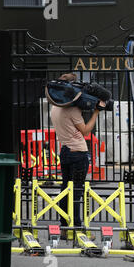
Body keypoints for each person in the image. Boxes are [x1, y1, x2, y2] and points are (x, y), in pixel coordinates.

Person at [50, 73, 105, 237]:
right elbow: (86, 131)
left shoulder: (55, 106)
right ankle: (77, 228)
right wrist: (96, 112)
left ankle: (64, 226)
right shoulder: (72, 109)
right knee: (76, 191)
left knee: (65, 189)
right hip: (78, 152)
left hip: (65, 150)